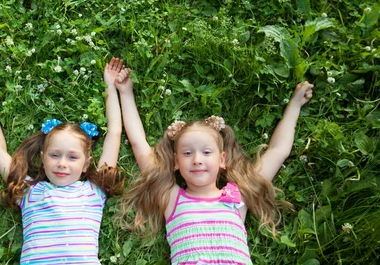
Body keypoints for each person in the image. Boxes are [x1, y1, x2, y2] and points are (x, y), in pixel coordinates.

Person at [115, 68, 313, 265]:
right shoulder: (171, 198)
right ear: (176, 162)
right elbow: (139, 144)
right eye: (187, 153)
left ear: (222, 159)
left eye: (207, 152)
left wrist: (294, 106)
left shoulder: (238, 196)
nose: (197, 160)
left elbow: (278, 151)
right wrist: (125, 92)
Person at [0, 57, 127, 264]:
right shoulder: (28, 191)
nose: (62, 163)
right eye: (55, 155)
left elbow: (115, 132)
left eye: (72, 157)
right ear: (42, 159)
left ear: (86, 164)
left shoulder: (94, 190)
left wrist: (110, 86)